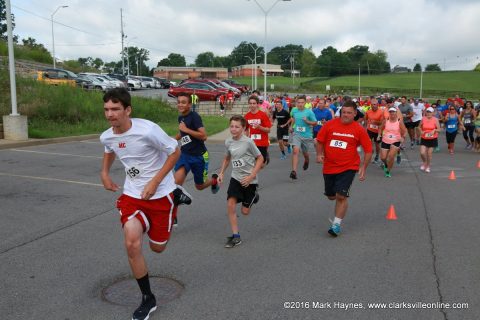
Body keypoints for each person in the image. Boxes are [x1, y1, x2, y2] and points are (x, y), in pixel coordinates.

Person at [99, 88, 191, 320]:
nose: (110, 114)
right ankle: (148, 298)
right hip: (132, 195)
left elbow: (175, 151)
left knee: (157, 248)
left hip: (160, 194)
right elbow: (109, 149)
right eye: (107, 109)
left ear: (127, 110)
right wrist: (105, 173)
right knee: (131, 242)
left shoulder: (148, 130)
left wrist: (155, 182)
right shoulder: (107, 135)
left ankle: (176, 197)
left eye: (115, 109)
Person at [316, 100, 373, 237]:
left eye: (349, 113)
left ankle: (336, 224)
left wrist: (363, 167)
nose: (345, 115)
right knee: (331, 196)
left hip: (349, 167)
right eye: (343, 112)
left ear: (354, 114)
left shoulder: (359, 129)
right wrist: (319, 154)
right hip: (329, 166)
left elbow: (368, 150)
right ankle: (338, 206)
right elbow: (320, 141)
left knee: (341, 196)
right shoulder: (330, 125)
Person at [173, 92, 220, 226]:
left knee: (199, 186)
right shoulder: (180, 118)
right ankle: (173, 216)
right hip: (184, 156)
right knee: (175, 187)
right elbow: (181, 133)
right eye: (179, 102)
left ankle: (214, 180)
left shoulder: (195, 117)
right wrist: (171, 140)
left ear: (189, 104)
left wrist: (186, 130)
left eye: (183, 102)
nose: (180, 104)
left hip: (199, 156)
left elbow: (203, 136)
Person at [217, 115, 264, 248]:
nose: (234, 129)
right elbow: (227, 158)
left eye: (237, 127)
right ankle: (236, 236)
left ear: (243, 128)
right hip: (236, 178)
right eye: (232, 126)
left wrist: (251, 177)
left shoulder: (248, 142)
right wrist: (221, 173)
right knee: (230, 204)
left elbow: (260, 159)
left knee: (244, 212)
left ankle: (254, 196)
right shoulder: (228, 142)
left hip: (250, 180)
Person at [287, 95, 318, 179]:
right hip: (297, 134)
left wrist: (307, 121)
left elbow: (315, 123)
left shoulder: (309, 112)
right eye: (298, 102)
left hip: (307, 136)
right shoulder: (294, 110)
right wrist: (291, 126)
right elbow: (293, 118)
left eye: (302, 102)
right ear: (296, 103)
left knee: (305, 153)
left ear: (305, 103)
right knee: (295, 151)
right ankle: (294, 171)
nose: (300, 104)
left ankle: (307, 160)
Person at [377, 107, 407, 178]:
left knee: (391, 156)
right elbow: (380, 128)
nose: (392, 113)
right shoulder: (386, 120)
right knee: (383, 158)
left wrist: (403, 138)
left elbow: (405, 131)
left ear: (396, 113)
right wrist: (379, 135)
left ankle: (388, 171)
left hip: (396, 140)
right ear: (389, 113)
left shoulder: (399, 121)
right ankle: (385, 164)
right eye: (390, 112)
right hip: (385, 140)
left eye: (393, 112)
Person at [244, 95, 272, 167]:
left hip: (262, 142)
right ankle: (252, 177)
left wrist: (259, 127)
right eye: (250, 103)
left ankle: (266, 156)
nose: (252, 105)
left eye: (254, 103)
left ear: (257, 104)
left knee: (261, 165)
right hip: (252, 142)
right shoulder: (247, 116)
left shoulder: (263, 115)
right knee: (253, 164)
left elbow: (268, 130)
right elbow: (246, 129)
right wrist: (245, 139)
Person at [419, 107, 441, 173]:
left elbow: (439, 129)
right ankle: (424, 162)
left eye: (430, 112)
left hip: (432, 139)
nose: (428, 113)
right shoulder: (423, 119)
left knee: (429, 154)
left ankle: (428, 166)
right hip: (424, 138)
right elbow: (419, 127)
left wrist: (434, 130)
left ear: (433, 113)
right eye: (427, 112)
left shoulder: (435, 119)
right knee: (422, 153)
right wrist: (421, 131)